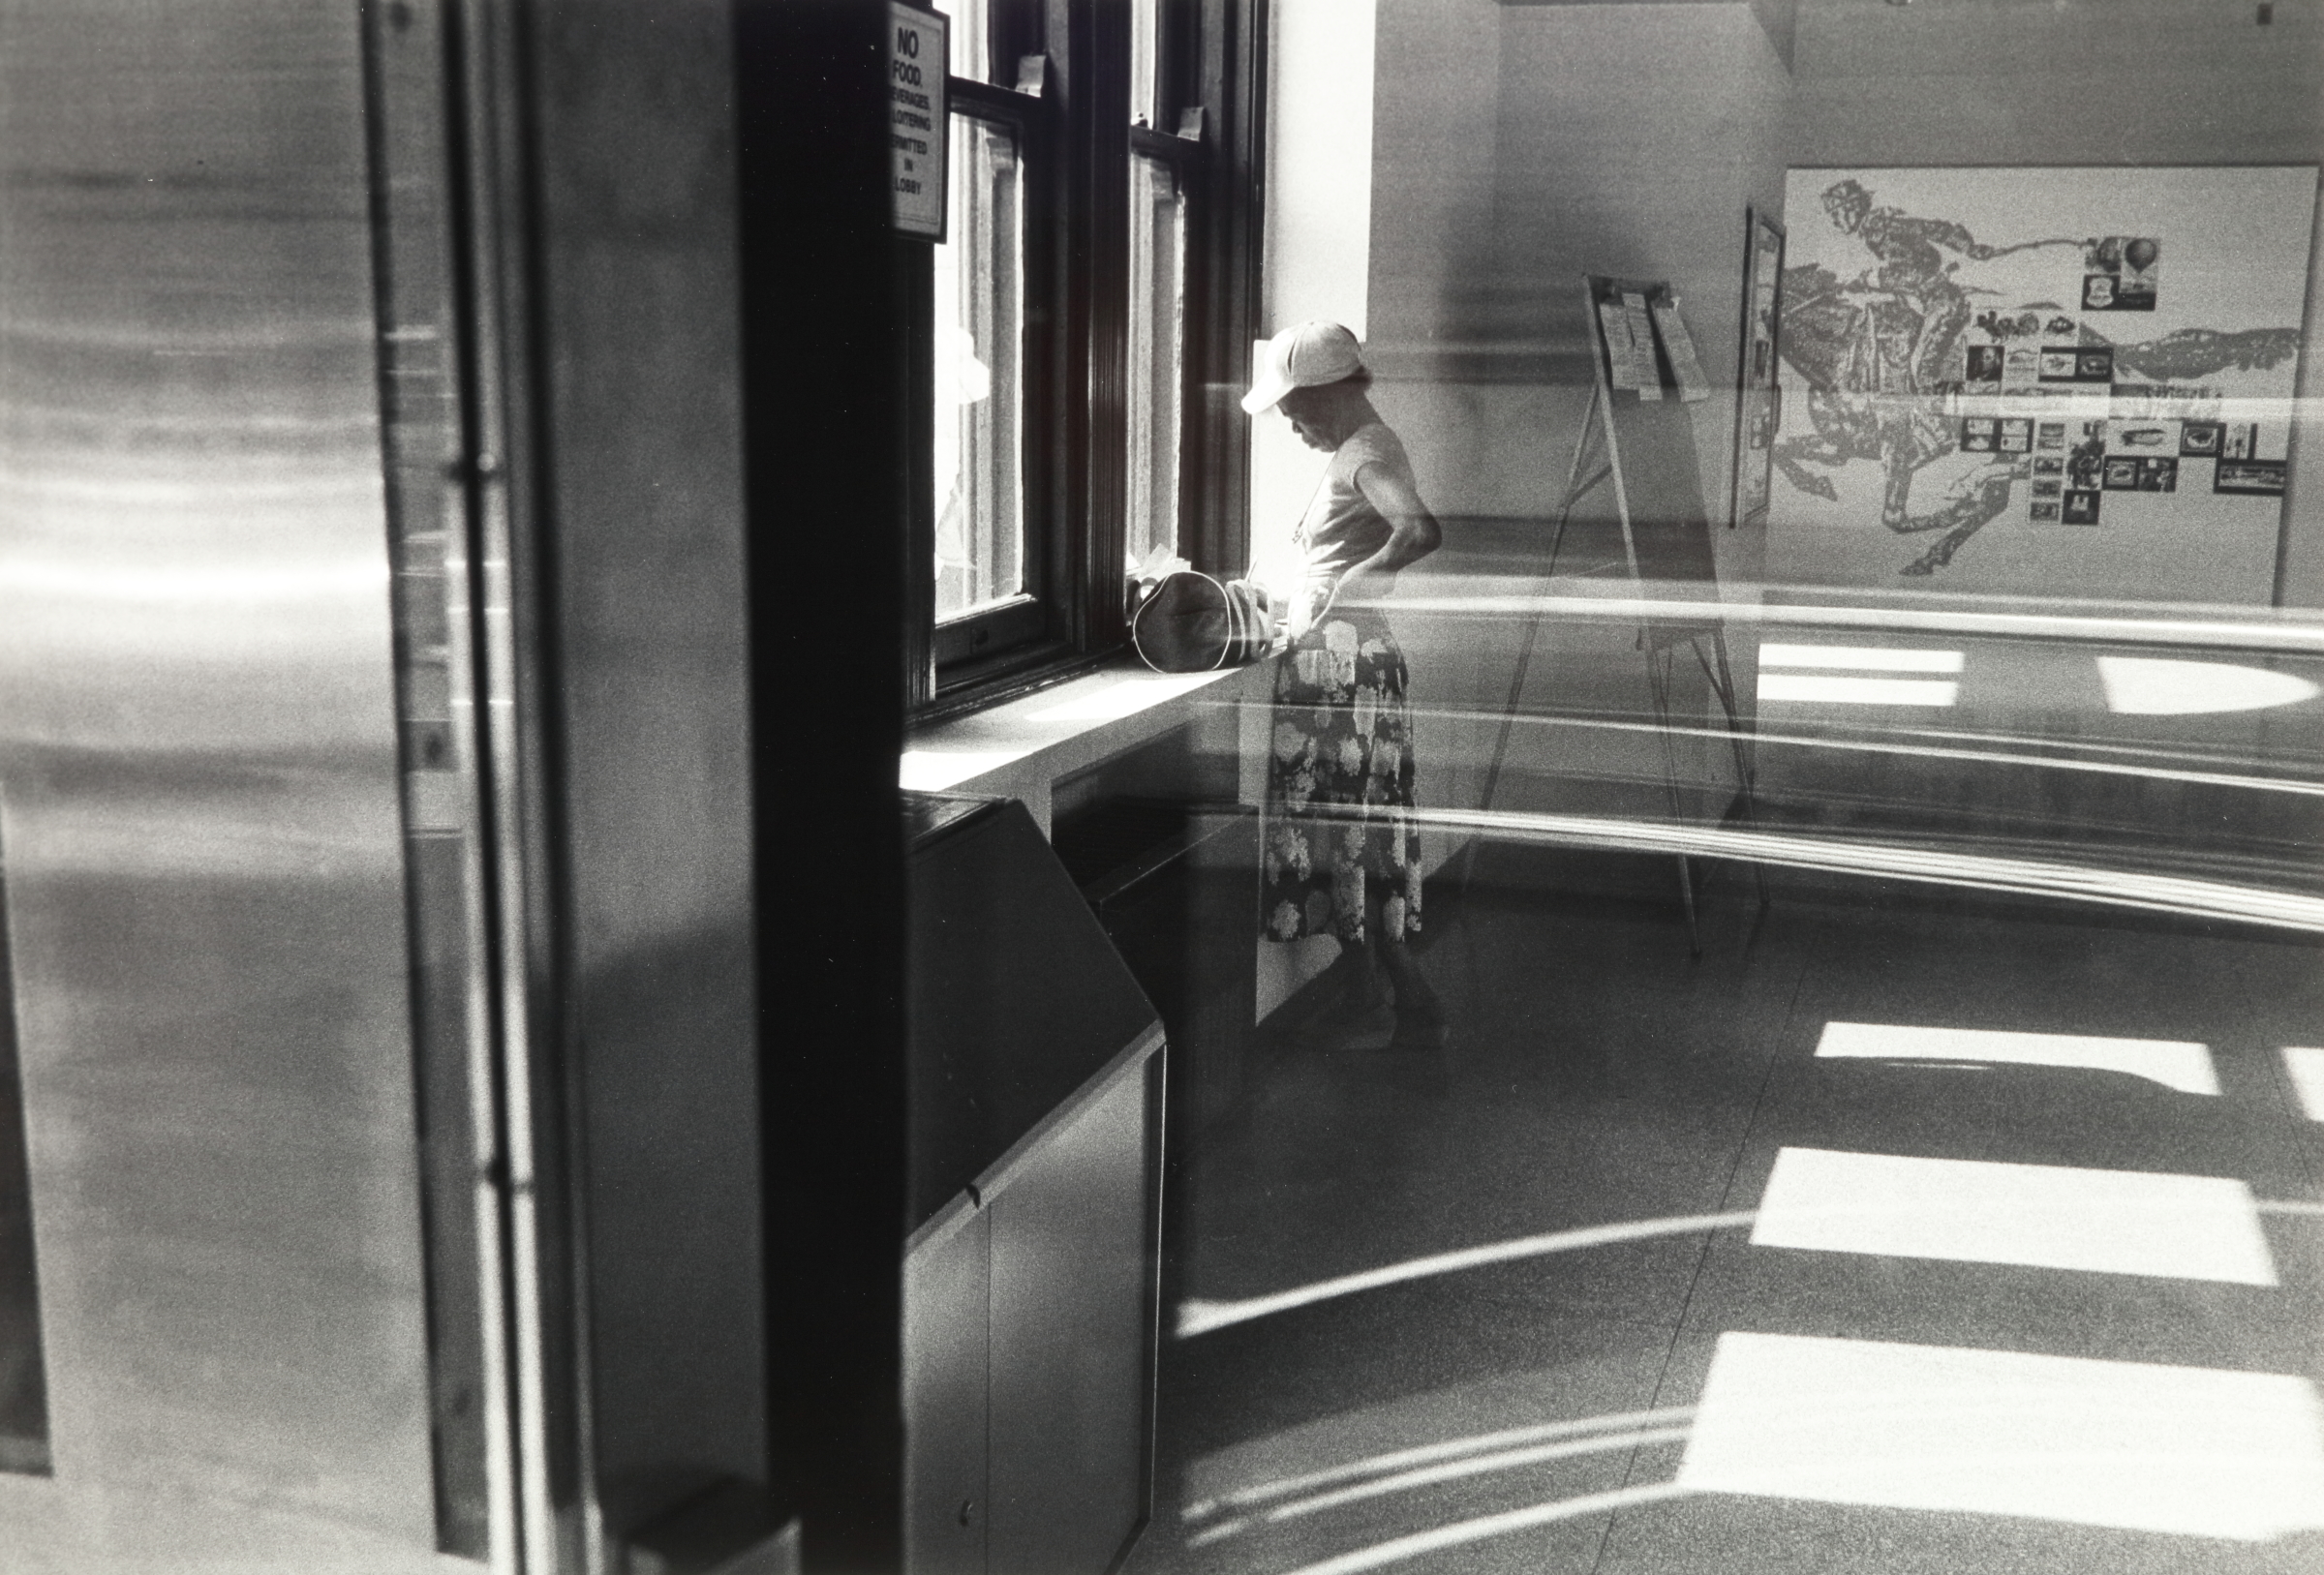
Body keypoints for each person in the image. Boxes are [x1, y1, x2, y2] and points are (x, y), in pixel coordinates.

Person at [1241, 321, 1448, 1051]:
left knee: (1344, 827)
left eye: (1295, 408)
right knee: (1361, 824)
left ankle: (1375, 996)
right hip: (1353, 663)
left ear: (1328, 393)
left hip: (1340, 668)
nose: (1291, 423)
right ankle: (1394, 989)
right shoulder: (1367, 445)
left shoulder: (1363, 451)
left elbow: (1419, 529)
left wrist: (1353, 586)